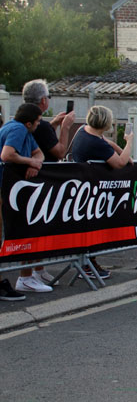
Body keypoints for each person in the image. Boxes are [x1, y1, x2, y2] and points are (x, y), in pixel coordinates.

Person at [20, 79, 76, 285]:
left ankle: (38, 269)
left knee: (38, 227)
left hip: (32, 181)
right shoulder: (38, 125)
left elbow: (41, 137)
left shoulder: (33, 122)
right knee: (33, 228)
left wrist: (52, 124)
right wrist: (65, 127)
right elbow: (59, 151)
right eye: (49, 97)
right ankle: (26, 275)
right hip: (36, 182)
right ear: (43, 100)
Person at [71, 105, 134, 278]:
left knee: (90, 228)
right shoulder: (95, 143)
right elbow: (119, 163)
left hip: (84, 188)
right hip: (89, 191)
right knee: (90, 228)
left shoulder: (84, 131)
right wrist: (128, 142)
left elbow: (107, 142)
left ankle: (90, 262)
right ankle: (87, 265)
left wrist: (119, 149)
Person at [0, 104, 46, 295]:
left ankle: (25, 277)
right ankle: (17, 280)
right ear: (29, 123)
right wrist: (29, 161)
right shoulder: (18, 129)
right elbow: (7, 154)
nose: (38, 124)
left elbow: (39, 153)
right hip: (5, 188)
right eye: (37, 121)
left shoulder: (22, 130)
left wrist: (35, 164)